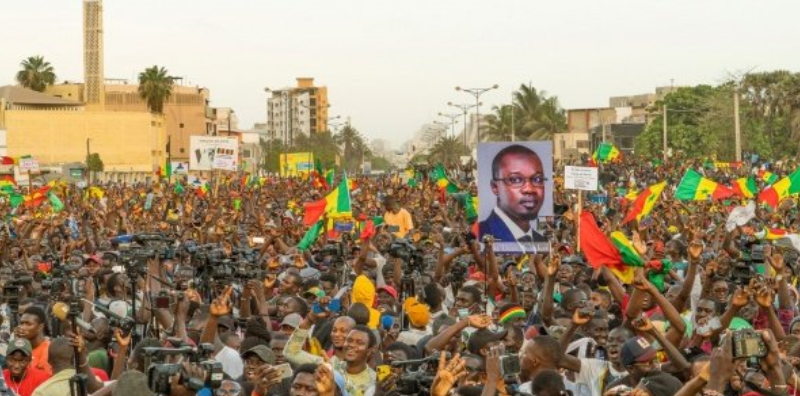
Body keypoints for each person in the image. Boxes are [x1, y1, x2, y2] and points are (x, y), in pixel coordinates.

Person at [479, 144, 547, 243]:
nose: (529, 189)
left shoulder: (541, 241)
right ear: (495, 187)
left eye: (537, 179)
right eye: (515, 180)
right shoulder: (481, 236)